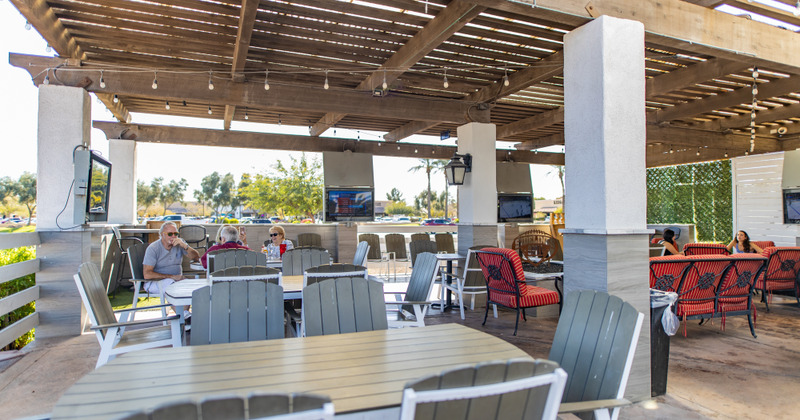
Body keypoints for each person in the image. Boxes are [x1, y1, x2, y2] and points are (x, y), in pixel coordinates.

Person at [142, 221, 201, 297]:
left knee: (190, 288)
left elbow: (196, 257)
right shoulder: (154, 248)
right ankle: (182, 309)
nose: (173, 236)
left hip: (176, 280)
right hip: (155, 282)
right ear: (162, 234)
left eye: (175, 234)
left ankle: (184, 309)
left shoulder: (180, 243)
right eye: (170, 234)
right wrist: (172, 276)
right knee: (174, 287)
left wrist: (185, 246)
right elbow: (147, 274)